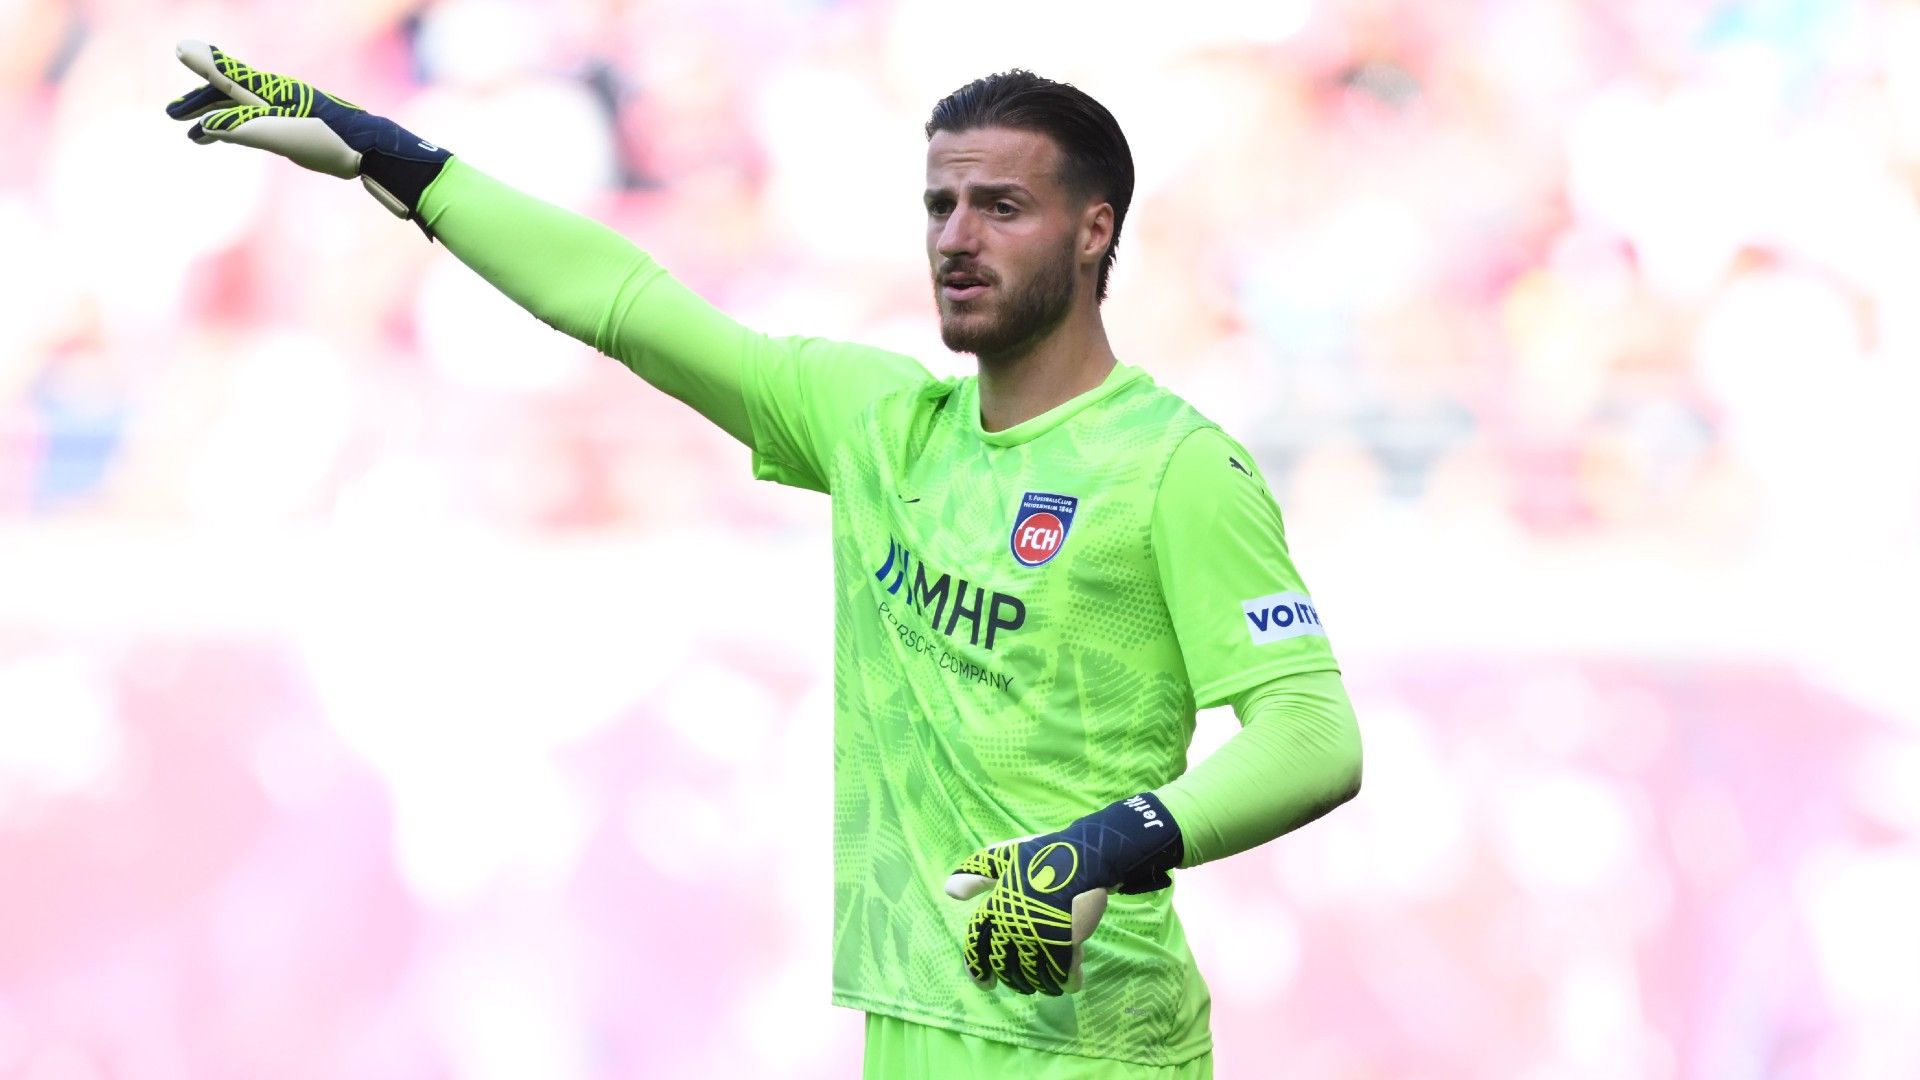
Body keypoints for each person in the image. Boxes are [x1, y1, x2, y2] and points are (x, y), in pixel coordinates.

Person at [165, 39, 1364, 1078]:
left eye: (1002, 208)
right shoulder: (876, 422)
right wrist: (395, 161)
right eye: (941, 206)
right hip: (915, 1023)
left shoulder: (1174, 467)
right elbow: (622, 302)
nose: (957, 238)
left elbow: (1314, 736)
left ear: (1096, 230)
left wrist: (1099, 846)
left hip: (1095, 1042)